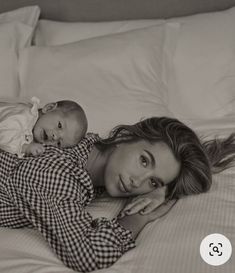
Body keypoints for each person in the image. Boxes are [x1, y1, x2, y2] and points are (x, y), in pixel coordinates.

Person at [0, 117, 234, 272]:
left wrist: (163, 191)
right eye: (143, 160)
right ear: (123, 138)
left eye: (152, 180)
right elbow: (87, 252)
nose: (137, 182)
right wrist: (140, 217)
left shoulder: (84, 148)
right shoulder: (56, 173)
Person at [0, 97, 88, 157]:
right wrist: (25, 148)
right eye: (59, 126)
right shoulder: (25, 115)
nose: (55, 137)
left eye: (58, 143)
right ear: (49, 108)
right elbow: (3, 134)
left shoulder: (34, 134)